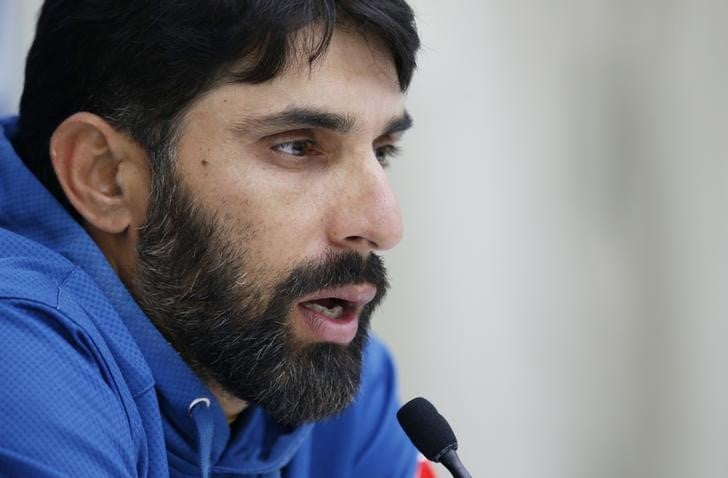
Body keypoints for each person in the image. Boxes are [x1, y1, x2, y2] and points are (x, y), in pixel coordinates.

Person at [0, 1, 422, 476]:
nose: (385, 226)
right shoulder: (17, 362)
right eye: (296, 147)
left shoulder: (318, 365)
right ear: (106, 176)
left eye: (383, 151)